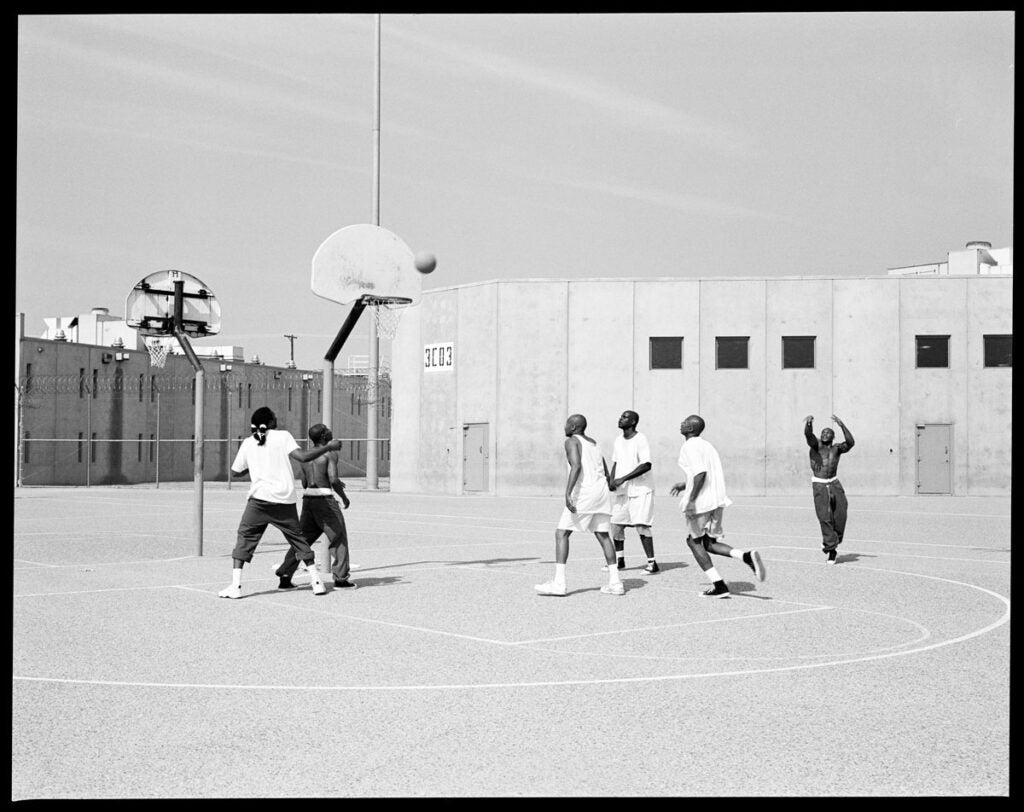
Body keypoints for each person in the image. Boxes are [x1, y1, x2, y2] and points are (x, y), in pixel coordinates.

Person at [219, 407, 343, 599]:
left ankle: (235, 586)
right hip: (284, 500)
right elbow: (303, 456)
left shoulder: (248, 442)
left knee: (244, 539)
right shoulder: (283, 436)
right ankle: (317, 582)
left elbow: (235, 472)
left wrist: (254, 467)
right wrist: (328, 447)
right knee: (299, 540)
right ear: (269, 422)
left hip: (259, 501)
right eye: (274, 418)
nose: (277, 419)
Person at [670, 414, 765, 598]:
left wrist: (691, 499)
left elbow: (701, 474)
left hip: (702, 502)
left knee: (693, 541)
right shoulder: (707, 445)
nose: (681, 423)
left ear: (690, 429)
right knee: (709, 543)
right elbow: (703, 473)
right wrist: (685, 484)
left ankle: (719, 585)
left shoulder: (689, 445)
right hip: (716, 500)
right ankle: (745, 556)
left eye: (685, 422)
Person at [535, 414, 625, 597]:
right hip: (602, 493)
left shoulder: (571, 441)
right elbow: (606, 471)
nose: (565, 426)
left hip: (585, 492)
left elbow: (576, 466)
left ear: (574, 427)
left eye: (567, 423)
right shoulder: (593, 443)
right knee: (603, 535)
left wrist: (568, 492)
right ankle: (616, 583)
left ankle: (559, 584)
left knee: (561, 533)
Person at [275, 423, 356, 591]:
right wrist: (344, 497)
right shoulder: (330, 453)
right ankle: (341, 579)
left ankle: (285, 576)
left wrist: (320, 478)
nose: (331, 430)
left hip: (308, 500)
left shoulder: (306, 455)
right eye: (328, 430)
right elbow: (333, 479)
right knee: (338, 538)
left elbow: (305, 482)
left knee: (302, 541)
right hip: (325, 501)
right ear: (324, 435)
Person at [606, 410, 659, 573]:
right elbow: (615, 461)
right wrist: (612, 479)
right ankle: (620, 561)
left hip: (641, 490)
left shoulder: (640, 439)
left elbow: (646, 464)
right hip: (623, 492)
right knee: (616, 525)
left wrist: (623, 478)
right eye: (621, 416)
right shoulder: (618, 440)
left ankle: (652, 564)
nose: (620, 418)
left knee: (641, 526)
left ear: (634, 421)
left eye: (625, 417)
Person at [804, 414, 855, 565]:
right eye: (823, 433)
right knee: (825, 517)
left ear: (833, 436)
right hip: (819, 484)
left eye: (828, 433)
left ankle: (834, 539)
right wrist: (809, 423)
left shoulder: (837, 449)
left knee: (841, 512)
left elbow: (851, 442)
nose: (825, 434)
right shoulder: (816, 446)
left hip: (834, 482)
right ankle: (831, 550)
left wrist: (842, 424)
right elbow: (808, 435)